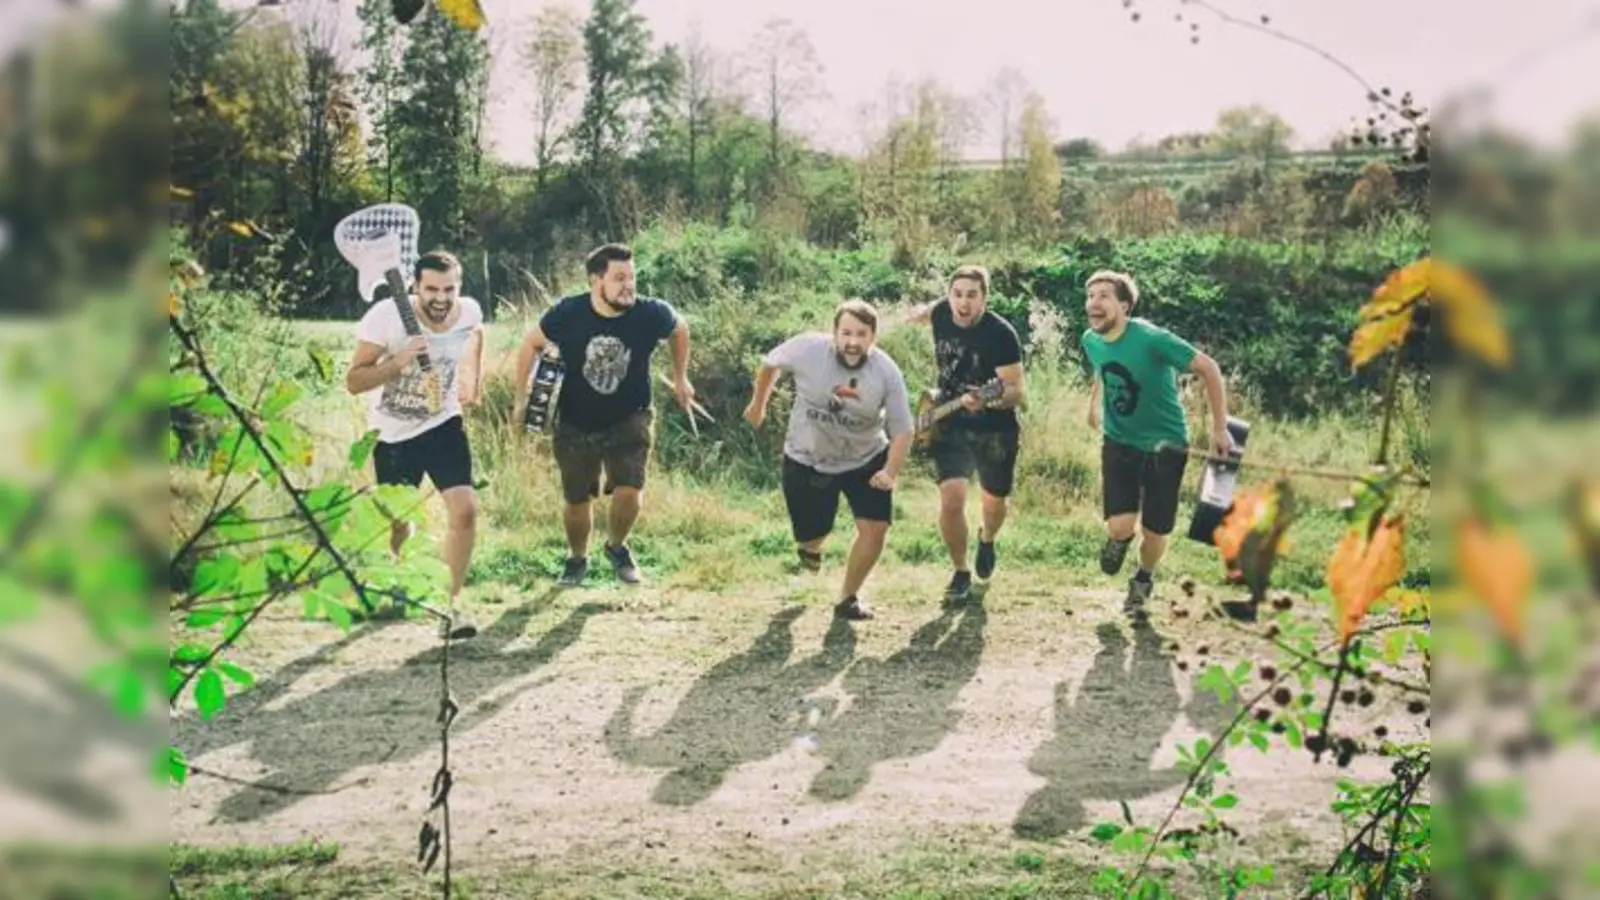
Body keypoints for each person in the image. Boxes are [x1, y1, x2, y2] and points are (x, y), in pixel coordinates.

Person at [513, 242, 695, 587]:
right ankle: (577, 559)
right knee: (577, 499)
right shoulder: (568, 314)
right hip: (574, 420)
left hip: (631, 415)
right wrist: (521, 397)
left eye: (632, 277)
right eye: (619, 278)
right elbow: (530, 344)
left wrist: (681, 377)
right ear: (596, 281)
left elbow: (679, 328)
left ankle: (617, 547)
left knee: (630, 487)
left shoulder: (649, 313)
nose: (629, 285)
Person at [744, 299, 914, 622]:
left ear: (873, 338)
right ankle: (810, 549)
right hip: (807, 457)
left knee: (875, 529)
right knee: (811, 533)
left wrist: (890, 471)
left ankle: (848, 598)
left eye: (861, 334)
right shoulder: (808, 348)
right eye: (846, 333)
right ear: (833, 333)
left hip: (865, 458)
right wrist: (758, 404)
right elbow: (770, 364)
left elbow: (903, 429)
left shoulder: (886, 372)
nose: (853, 342)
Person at [345, 249, 484, 638]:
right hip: (393, 434)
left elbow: (476, 334)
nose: (441, 298)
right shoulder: (386, 317)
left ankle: (451, 608)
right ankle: (396, 584)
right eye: (431, 289)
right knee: (398, 523)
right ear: (415, 287)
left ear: (459, 287)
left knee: (465, 510)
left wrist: (472, 381)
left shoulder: (469, 312)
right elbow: (354, 380)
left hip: (443, 424)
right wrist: (399, 362)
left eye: (449, 289)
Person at [1080, 269, 1233, 616]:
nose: (1094, 303)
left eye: (1104, 295)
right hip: (1119, 441)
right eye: (1090, 296)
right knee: (1120, 525)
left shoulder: (1152, 339)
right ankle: (1118, 541)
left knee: (1155, 530)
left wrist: (1220, 429)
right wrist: (1093, 406)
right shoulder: (1091, 339)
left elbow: (1209, 368)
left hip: (1167, 446)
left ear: (1124, 305)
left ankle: (1143, 579)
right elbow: (1105, 369)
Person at [907, 264, 1026, 603]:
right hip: (950, 421)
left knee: (994, 503)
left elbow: (1016, 392)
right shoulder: (942, 313)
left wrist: (990, 401)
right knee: (952, 499)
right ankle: (960, 572)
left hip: (995, 428)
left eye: (972, 295)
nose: (963, 302)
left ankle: (987, 539)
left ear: (985, 299)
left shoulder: (1001, 335)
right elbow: (921, 313)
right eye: (957, 294)